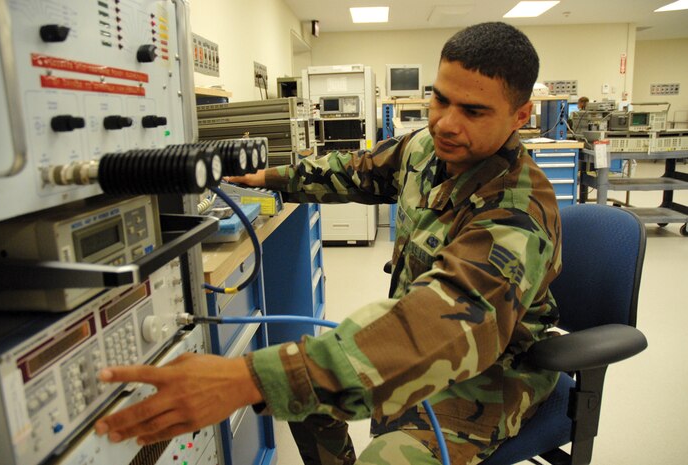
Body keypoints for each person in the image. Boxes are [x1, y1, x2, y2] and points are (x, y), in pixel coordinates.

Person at [94, 22, 562, 465]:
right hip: (418, 335)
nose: (444, 123)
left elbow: (450, 320)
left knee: (374, 444)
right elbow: (353, 169)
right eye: (440, 100)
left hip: (490, 374)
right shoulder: (425, 148)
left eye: (473, 111)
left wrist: (250, 378)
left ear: (521, 115)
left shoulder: (518, 208)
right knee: (301, 398)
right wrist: (268, 178)